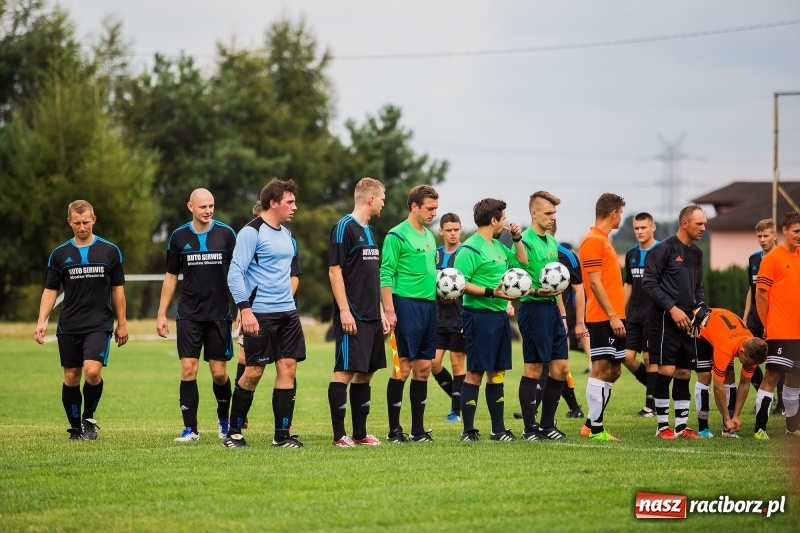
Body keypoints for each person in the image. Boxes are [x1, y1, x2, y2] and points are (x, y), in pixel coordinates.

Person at [224, 178, 307, 449]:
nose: (295, 207)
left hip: (288, 314)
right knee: (254, 372)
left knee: (288, 368)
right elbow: (236, 272)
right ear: (274, 203)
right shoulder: (251, 232)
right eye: (289, 202)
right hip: (260, 314)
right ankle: (233, 432)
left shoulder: (286, 234)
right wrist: (244, 309)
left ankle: (281, 435)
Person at [34, 200, 128, 440]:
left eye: (86, 222)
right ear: (70, 223)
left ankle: (89, 419)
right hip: (69, 324)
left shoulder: (110, 251)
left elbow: (118, 290)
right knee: (70, 377)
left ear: (93, 220)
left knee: (92, 372)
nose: (82, 227)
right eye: (77, 223)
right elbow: (50, 290)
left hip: (99, 323)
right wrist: (42, 320)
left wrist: (123, 323)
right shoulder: (60, 254)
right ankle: (74, 427)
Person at [155, 189, 237, 442]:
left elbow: (238, 273)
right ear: (190, 206)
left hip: (219, 314)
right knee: (188, 369)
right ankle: (190, 429)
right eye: (203, 206)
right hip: (189, 313)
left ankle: (224, 422)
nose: (208, 210)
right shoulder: (178, 237)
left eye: (211, 205)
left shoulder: (226, 234)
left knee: (219, 374)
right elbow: (170, 276)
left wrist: (244, 309)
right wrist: (161, 313)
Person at [453, 198, 525, 442]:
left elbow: (522, 263)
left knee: (497, 372)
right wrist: (490, 292)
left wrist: (516, 239)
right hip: (478, 317)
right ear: (493, 220)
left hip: (500, 317)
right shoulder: (469, 249)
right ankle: (468, 431)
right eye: (503, 219)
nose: (505, 223)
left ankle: (498, 430)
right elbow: (460, 284)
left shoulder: (498, 245)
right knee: (475, 372)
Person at [327, 178, 390, 447]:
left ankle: (360, 433)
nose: (384, 202)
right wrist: (344, 311)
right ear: (370, 199)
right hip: (352, 315)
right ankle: (339, 435)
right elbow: (334, 270)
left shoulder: (371, 231)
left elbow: (370, 277)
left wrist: (381, 312)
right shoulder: (344, 228)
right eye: (383, 197)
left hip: (372, 316)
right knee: (345, 371)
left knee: (366, 373)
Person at [642, 204, 708, 440]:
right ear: (685, 223)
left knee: (683, 373)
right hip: (663, 320)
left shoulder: (697, 254)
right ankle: (662, 426)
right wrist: (672, 309)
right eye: (699, 223)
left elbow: (697, 287)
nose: (703, 227)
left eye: (705, 223)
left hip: (688, 323)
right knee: (667, 370)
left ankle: (681, 426)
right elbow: (649, 283)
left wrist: (701, 308)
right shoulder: (663, 250)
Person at [380, 185, 439, 442]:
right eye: (429, 208)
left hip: (429, 307)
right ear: (414, 206)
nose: (433, 213)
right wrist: (389, 310)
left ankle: (417, 430)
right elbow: (385, 274)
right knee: (402, 368)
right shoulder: (396, 235)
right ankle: (394, 431)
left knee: (424, 367)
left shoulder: (429, 236)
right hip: (405, 306)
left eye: (436, 208)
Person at [516, 191, 570, 441]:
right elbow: (515, 282)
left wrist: (563, 315)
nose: (552, 218)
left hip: (552, 311)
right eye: (548, 213)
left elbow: (557, 284)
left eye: (554, 213)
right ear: (534, 213)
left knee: (560, 368)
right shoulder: (523, 241)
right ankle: (530, 429)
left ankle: (547, 425)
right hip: (533, 309)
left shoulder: (551, 241)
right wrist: (537, 291)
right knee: (534, 368)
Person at [578, 193, 627, 441]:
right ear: (614, 213)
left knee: (614, 371)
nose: (621, 218)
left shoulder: (604, 239)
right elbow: (595, 285)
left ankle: (590, 423)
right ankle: (596, 429)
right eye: (621, 213)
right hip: (602, 317)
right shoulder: (592, 240)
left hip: (615, 316)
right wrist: (612, 316)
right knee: (599, 369)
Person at [753, 211, 800, 439]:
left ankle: (793, 427)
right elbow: (760, 296)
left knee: (795, 378)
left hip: (798, 332)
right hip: (780, 331)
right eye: (796, 231)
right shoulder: (772, 259)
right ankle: (760, 428)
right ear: (784, 231)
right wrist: (767, 324)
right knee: (772, 377)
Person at [691, 308, 767, 437]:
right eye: (747, 362)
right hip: (701, 333)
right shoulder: (725, 348)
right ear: (741, 352)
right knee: (705, 376)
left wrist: (736, 415)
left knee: (730, 376)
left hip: (724, 334)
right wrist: (727, 418)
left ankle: (728, 429)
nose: (748, 366)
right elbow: (718, 387)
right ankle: (703, 427)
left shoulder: (752, 348)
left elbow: (744, 384)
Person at [743, 219, 783, 415]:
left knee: (778, 360)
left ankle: (782, 404)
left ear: (775, 236)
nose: (762, 239)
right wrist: (744, 318)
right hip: (754, 319)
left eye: (766, 235)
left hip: (775, 317)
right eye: (759, 236)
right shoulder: (753, 259)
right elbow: (752, 291)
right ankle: (763, 394)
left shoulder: (782, 258)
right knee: (747, 357)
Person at [622, 212, 660, 417]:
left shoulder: (662, 251)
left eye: (643, 227)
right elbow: (628, 284)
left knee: (649, 357)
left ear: (653, 227)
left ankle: (651, 405)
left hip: (653, 315)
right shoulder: (631, 254)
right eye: (636, 228)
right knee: (627, 357)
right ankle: (655, 387)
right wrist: (620, 311)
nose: (639, 231)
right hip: (633, 315)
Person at [433, 213, 467, 423]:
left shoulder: (465, 253)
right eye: (449, 230)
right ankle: (460, 400)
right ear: (441, 231)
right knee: (432, 364)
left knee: (457, 365)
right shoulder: (435, 254)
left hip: (459, 318)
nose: (453, 233)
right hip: (437, 318)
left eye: (456, 229)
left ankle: (456, 411)